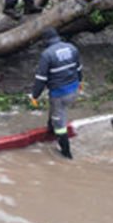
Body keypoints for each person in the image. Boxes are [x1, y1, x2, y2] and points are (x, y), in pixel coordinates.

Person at [29, 27, 81, 159]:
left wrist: (35, 96)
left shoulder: (47, 55)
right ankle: (50, 131)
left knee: (60, 122)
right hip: (74, 90)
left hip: (60, 94)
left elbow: (41, 79)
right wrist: (79, 84)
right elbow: (79, 69)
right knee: (56, 111)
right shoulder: (72, 48)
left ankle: (66, 153)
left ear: (46, 40)